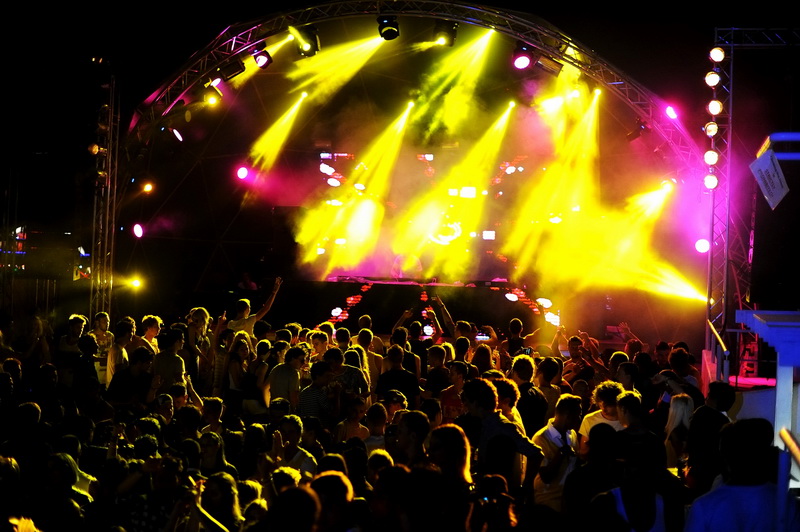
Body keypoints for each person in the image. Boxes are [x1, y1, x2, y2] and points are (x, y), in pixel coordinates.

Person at [532, 393, 582, 512]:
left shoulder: (572, 434)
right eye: (578, 415)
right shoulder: (541, 439)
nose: (580, 419)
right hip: (547, 503)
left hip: (567, 502)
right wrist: (561, 454)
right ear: (567, 415)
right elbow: (546, 477)